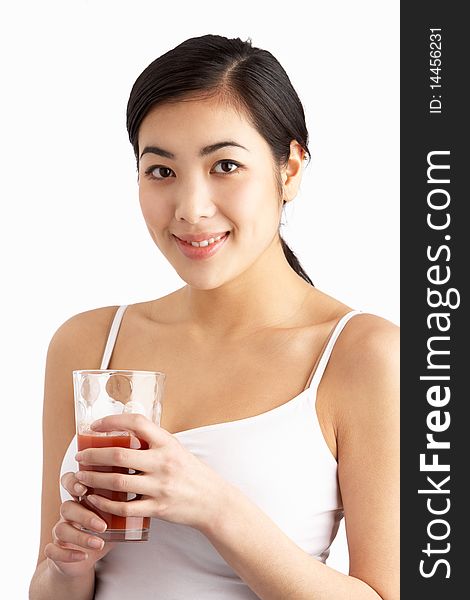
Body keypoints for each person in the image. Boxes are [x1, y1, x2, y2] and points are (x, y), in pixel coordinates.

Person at [29, 34, 399, 600]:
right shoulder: (87, 344)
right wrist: (67, 570)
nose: (191, 208)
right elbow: (50, 587)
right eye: (160, 171)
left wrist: (213, 505)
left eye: (225, 165)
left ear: (291, 168)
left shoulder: (364, 355)